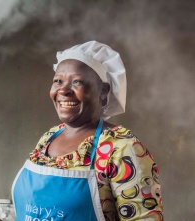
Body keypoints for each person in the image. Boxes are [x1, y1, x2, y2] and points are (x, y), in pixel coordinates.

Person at [12, 41, 163, 221]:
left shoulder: (122, 148)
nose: (63, 90)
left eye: (76, 82)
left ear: (103, 91)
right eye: (58, 81)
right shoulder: (49, 138)